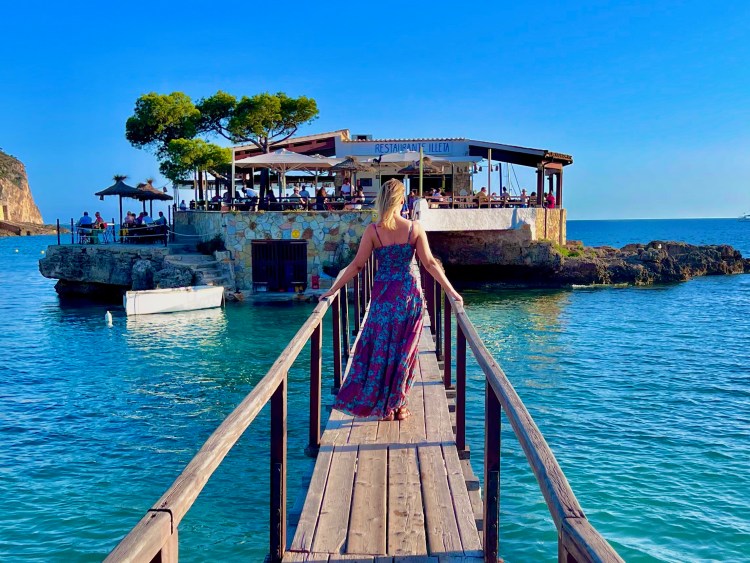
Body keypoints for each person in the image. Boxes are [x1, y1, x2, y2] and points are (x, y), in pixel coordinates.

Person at [319, 179, 462, 421]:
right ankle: (399, 405)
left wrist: (333, 289)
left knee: (381, 350)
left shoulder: (373, 231)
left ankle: (383, 406)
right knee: (405, 352)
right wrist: (452, 291)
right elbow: (429, 264)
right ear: (402, 200)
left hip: (383, 299)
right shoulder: (414, 228)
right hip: (409, 297)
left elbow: (356, 266)